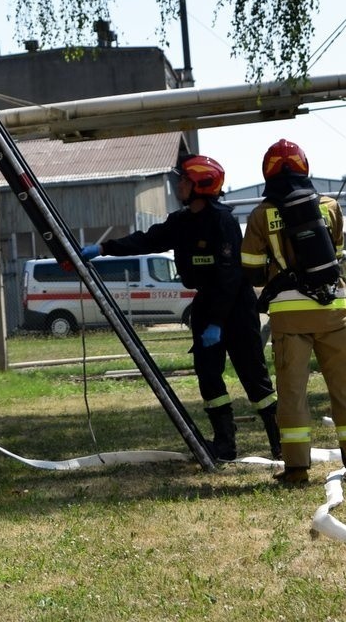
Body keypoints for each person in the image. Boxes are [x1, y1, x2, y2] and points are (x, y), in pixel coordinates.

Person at [78, 153, 280, 463]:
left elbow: (229, 276)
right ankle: (224, 445)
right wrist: (104, 249)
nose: (178, 186)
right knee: (209, 377)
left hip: (235, 308)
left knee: (255, 379)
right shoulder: (181, 223)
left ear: (199, 184)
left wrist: (216, 322)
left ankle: (280, 443)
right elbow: (146, 240)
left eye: (183, 180)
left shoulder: (222, 221)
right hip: (206, 304)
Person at [241, 139, 346, 487]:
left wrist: (275, 265)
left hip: (289, 317)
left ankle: (297, 469)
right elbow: (336, 255)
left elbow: (251, 269)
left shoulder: (260, 214)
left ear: (267, 171)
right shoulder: (330, 206)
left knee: (293, 393)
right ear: (304, 167)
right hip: (334, 312)